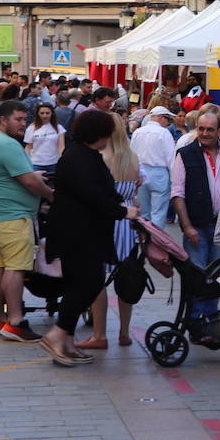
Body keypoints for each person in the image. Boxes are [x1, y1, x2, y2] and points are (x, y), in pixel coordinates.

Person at [39, 110, 139, 367]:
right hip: (78, 233)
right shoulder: (78, 158)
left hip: (85, 231)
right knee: (89, 283)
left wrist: (119, 204)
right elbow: (92, 193)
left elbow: (104, 188)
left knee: (79, 284)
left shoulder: (83, 155)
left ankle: (68, 342)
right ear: (99, 134)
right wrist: (121, 211)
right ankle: (57, 334)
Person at [78, 113, 143, 349]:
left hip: (104, 220)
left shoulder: (100, 158)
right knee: (127, 278)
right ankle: (124, 332)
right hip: (127, 224)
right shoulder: (133, 158)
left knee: (97, 279)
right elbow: (136, 194)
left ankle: (100, 333)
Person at [170, 112, 220, 323]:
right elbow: (178, 193)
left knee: (218, 278)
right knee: (196, 275)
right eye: (201, 128)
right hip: (196, 226)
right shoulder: (185, 154)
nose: (204, 133)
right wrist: (187, 226)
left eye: (210, 129)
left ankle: (210, 320)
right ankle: (193, 320)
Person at [131, 106, 177, 228]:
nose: (168, 122)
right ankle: (156, 241)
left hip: (141, 172)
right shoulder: (164, 133)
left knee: (144, 213)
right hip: (159, 174)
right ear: (162, 117)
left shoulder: (137, 132)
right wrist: (175, 181)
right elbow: (171, 158)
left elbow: (132, 155)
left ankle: (144, 239)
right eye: (168, 119)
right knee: (159, 213)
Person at [23, 103, 66, 175]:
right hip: (36, 163)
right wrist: (27, 160)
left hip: (53, 163)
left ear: (52, 113)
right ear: (38, 114)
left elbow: (61, 146)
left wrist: (60, 159)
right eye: (42, 113)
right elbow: (29, 146)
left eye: (47, 113)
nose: (45, 115)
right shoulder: (31, 128)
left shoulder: (59, 128)